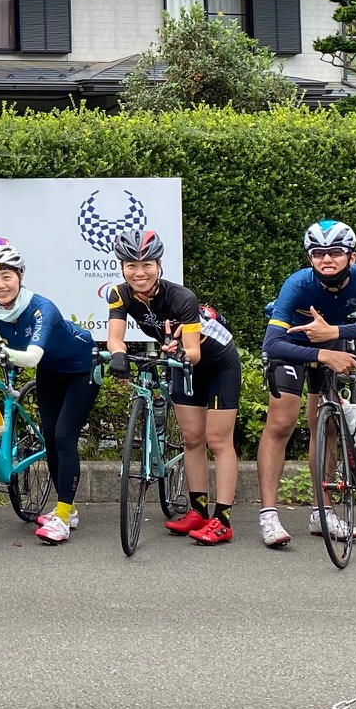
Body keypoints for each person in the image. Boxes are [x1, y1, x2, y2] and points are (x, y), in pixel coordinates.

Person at [255, 218, 356, 551]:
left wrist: (334, 335)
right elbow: (272, 343)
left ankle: (321, 511)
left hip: (331, 340)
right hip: (293, 346)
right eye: (318, 253)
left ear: (352, 256)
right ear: (310, 257)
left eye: (336, 252)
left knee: (327, 425)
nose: (327, 259)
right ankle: (268, 514)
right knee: (281, 423)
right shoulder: (298, 283)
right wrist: (323, 352)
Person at [0, 239, 97, 545]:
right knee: (50, 436)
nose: (0, 285)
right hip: (51, 372)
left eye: (7, 276)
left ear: (20, 276)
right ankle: (69, 509)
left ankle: (62, 517)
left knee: (64, 435)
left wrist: (0, 349)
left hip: (82, 369)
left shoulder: (41, 308)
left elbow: (32, 357)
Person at [104, 227, 245, 546]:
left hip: (216, 361)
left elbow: (194, 352)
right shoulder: (120, 293)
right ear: (122, 266)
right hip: (179, 361)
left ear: (159, 265)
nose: (139, 273)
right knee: (192, 439)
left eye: (147, 265)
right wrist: (117, 354)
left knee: (217, 440)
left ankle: (222, 520)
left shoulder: (182, 298)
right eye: (131, 265)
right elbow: (116, 336)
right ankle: (197, 511)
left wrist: (179, 350)